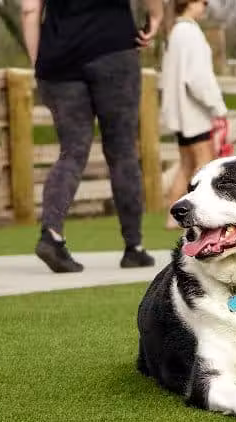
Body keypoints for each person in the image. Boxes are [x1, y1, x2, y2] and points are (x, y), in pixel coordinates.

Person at [21, 0, 163, 273]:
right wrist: (154, 17)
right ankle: (134, 248)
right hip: (113, 49)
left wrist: (38, 60)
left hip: (58, 59)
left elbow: (29, 10)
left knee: (71, 151)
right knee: (122, 152)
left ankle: (51, 234)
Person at [161, 0, 227, 230]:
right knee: (204, 164)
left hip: (181, 112)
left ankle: (172, 216)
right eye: (203, 2)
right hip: (193, 112)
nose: (205, 7)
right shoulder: (189, 33)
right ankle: (202, 213)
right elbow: (198, 79)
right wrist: (217, 106)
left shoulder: (176, 33)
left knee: (186, 164)